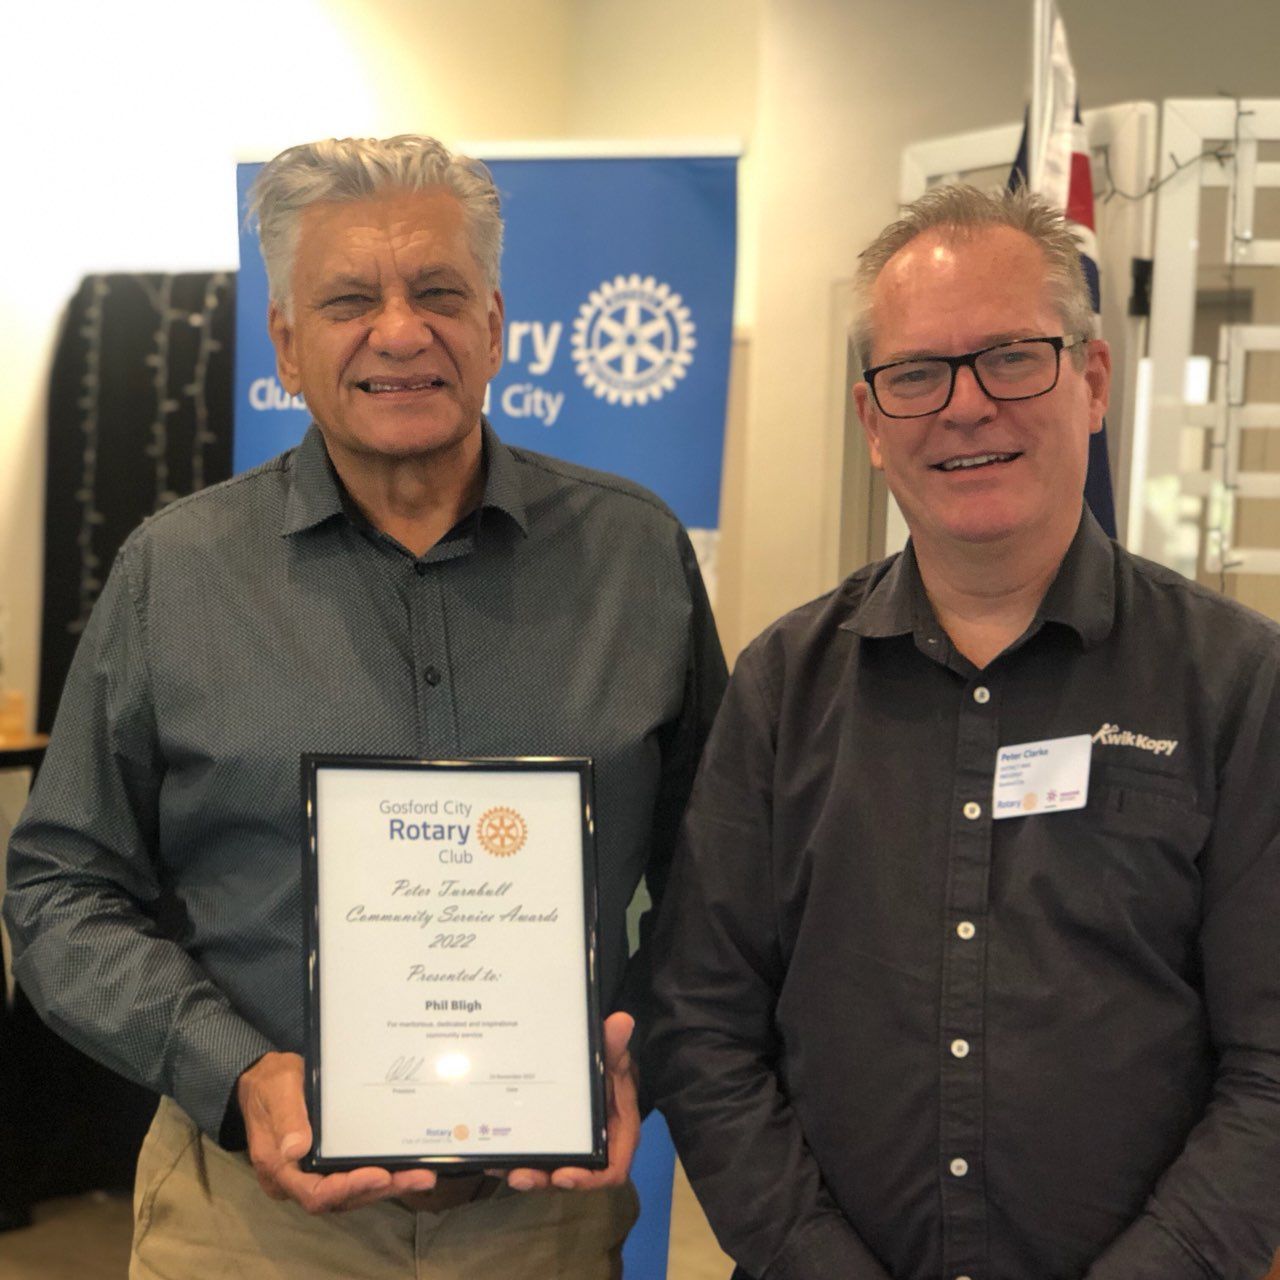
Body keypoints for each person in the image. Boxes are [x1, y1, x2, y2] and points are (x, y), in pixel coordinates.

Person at [5, 134, 726, 1279]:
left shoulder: (634, 558)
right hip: (245, 1222)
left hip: (540, 1223)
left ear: (493, 321)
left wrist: (637, 1042)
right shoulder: (173, 574)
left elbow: (718, 873)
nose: (400, 331)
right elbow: (58, 886)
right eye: (349, 300)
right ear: (287, 344)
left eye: (438, 292)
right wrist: (230, 1066)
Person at [645, 184, 1280, 1280]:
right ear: (870, 420)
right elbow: (702, 1030)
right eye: (917, 373)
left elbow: (1271, 1063)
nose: (965, 404)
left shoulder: (1233, 684)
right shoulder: (781, 688)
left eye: (1009, 356)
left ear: (1088, 381)